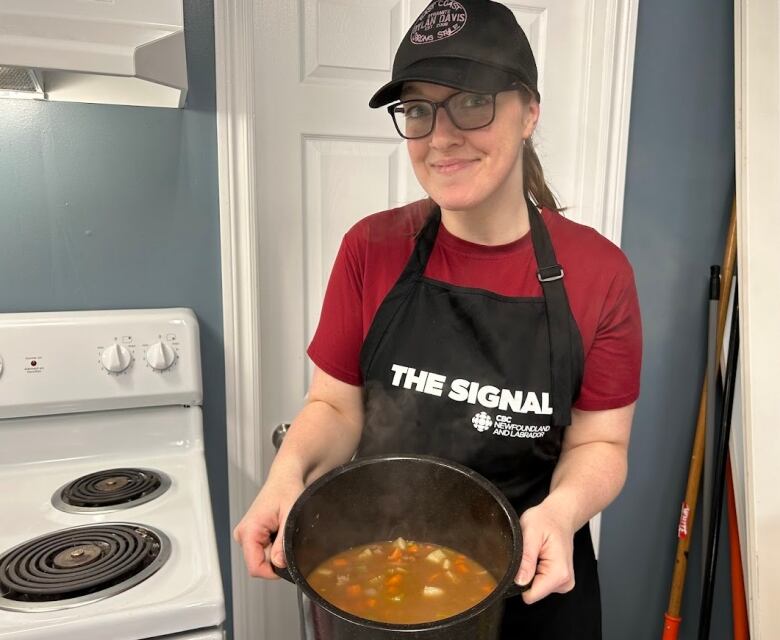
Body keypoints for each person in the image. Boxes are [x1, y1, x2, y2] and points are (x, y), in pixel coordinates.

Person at [234, 1, 642, 637]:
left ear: (529, 111)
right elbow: (337, 409)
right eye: (419, 109)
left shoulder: (599, 272)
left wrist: (561, 512)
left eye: (471, 101)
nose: (441, 135)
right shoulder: (372, 247)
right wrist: (286, 475)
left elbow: (601, 443)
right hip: (380, 579)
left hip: (534, 584)